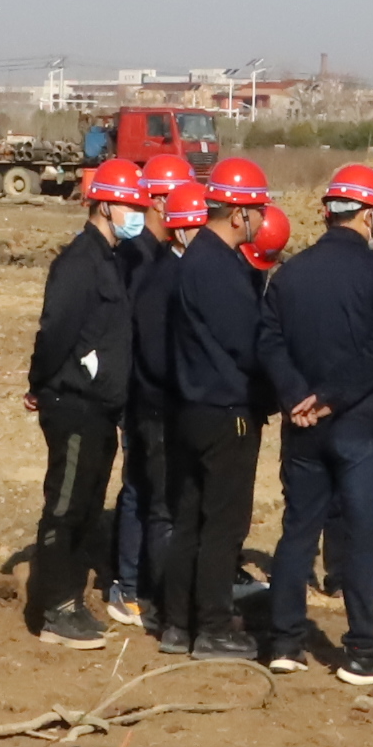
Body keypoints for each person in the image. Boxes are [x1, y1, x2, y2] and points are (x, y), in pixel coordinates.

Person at [261, 165, 373, 684]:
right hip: (358, 428)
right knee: (362, 538)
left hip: (301, 426)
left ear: (329, 212)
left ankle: (285, 642)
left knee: (298, 531)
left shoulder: (289, 274)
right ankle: (364, 650)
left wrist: (296, 396)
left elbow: (269, 341)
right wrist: (331, 399)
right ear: (368, 215)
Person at [26, 161, 151, 646]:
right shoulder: (79, 262)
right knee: (66, 506)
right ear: (104, 205)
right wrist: (39, 383)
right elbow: (55, 331)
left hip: (101, 409)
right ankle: (54, 608)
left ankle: (71, 601)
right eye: (129, 205)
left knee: (87, 506)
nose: (136, 214)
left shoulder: (113, 260)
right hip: (74, 405)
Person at [155, 175, 276, 662]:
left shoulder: (194, 258)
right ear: (239, 213)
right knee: (223, 524)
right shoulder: (221, 268)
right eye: (259, 209)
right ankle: (212, 627)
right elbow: (247, 344)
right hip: (227, 412)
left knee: (189, 518)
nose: (263, 219)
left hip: (190, 409)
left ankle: (177, 623)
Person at [116, 173, 206, 630]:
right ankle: (140, 589)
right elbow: (153, 350)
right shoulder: (156, 272)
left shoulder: (164, 267)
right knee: (155, 500)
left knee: (151, 494)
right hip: (155, 405)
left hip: (153, 400)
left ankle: (144, 585)